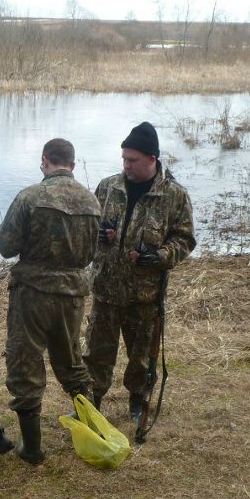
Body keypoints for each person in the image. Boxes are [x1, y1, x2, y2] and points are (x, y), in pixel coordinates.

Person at [0, 138, 101, 464]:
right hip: (72, 295)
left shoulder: (30, 197)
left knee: (25, 363)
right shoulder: (92, 202)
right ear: (72, 162)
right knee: (71, 363)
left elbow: (4, 245)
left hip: (33, 295)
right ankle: (93, 431)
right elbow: (95, 252)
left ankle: (32, 449)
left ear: (45, 161)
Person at [85, 121, 196, 421]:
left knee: (141, 357)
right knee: (97, 352)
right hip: (106, 289)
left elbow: (185, 239)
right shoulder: (108, 187)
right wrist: (99, 235)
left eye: (132, 160)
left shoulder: (174, 195)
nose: (126, 166)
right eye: (123, 159)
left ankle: (138, 400)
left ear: (152, 159)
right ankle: (92, 401)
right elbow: (91, 226)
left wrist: (158, 255)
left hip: (144, 295)